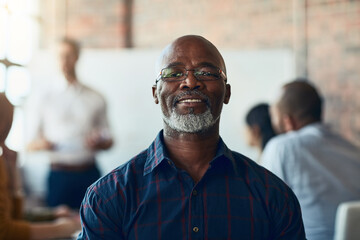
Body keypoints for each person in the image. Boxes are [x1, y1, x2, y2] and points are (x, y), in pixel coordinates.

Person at [77, 35, 305, 239]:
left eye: (206, 73)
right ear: (156, 93)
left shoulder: (273, 196)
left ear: (227, 93)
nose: (190, 82)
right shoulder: (109, 197)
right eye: (174, 73)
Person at [261, 80, 360, 240]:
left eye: (274, 115)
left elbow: (263, 214)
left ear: (288, 122)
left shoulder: (282, 147)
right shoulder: (353, 150)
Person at [27, 38, 113, 209]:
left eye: (68, 55)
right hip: (59, 175)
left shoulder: (95, 96)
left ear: (77, 57)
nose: (64, 61)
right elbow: (29, 144)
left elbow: (109, 140)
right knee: (59, 230)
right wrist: (43, 144)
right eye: (60, 56)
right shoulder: (42, 97)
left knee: (95, 226)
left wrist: (100, 142)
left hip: (90, 174)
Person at [0, 93, 81, 239]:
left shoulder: (4, 160)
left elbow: (13, 216)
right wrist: (61, 228)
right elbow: (4, 231)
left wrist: (52, 214)